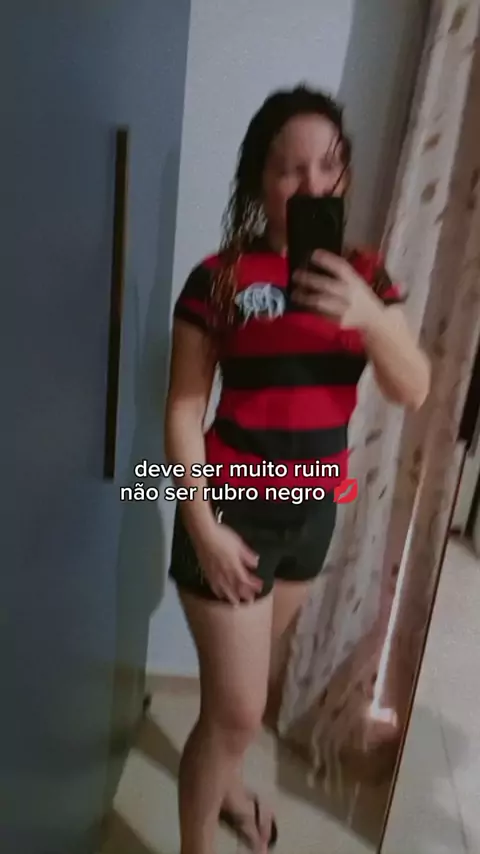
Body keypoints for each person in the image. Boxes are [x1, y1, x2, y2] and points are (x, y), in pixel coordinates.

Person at [164, 85, 431, 854]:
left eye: (327, 166)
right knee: (238, 711)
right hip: (229, 514)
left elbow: (412, 388)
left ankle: (228, 787)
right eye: (289, 169)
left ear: (345, 174)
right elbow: (184, 409)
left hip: (311, 517)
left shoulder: (367, 277)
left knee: (244, 697)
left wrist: (371, 318)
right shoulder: (219, 278)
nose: (312, 184)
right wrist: (202, 526)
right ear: (259, 180)